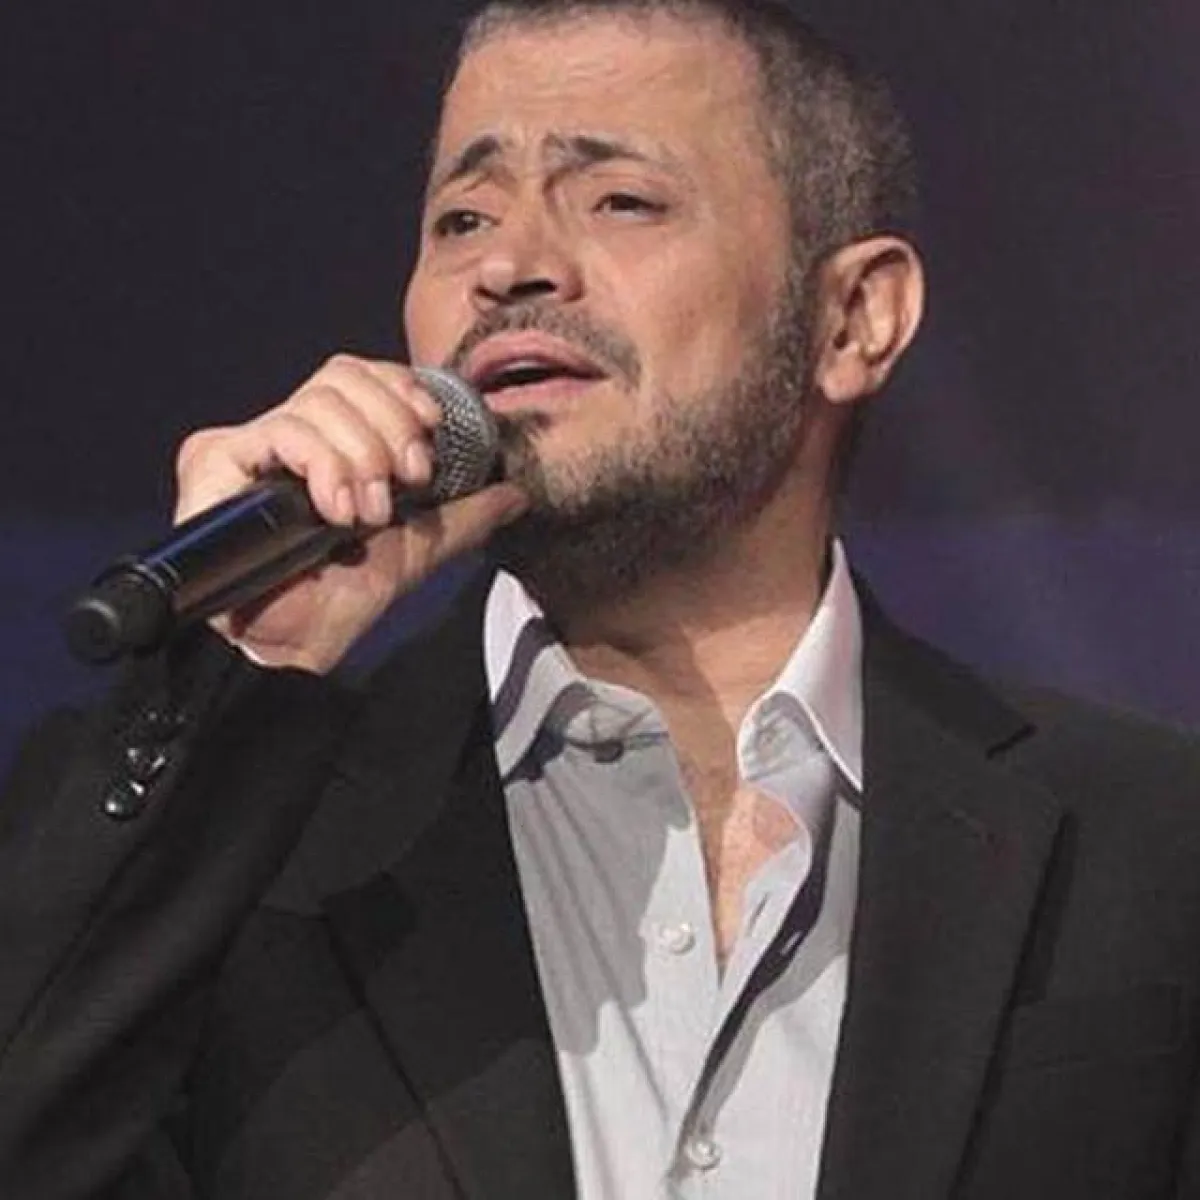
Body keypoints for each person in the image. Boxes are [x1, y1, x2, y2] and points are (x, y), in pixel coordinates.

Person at [1, 0, 1198, 1196]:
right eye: (463, 218)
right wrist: (234, 678)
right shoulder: (234, 836)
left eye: (620, 200)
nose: (508, 267)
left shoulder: (1147, 839)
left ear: (853, 318)